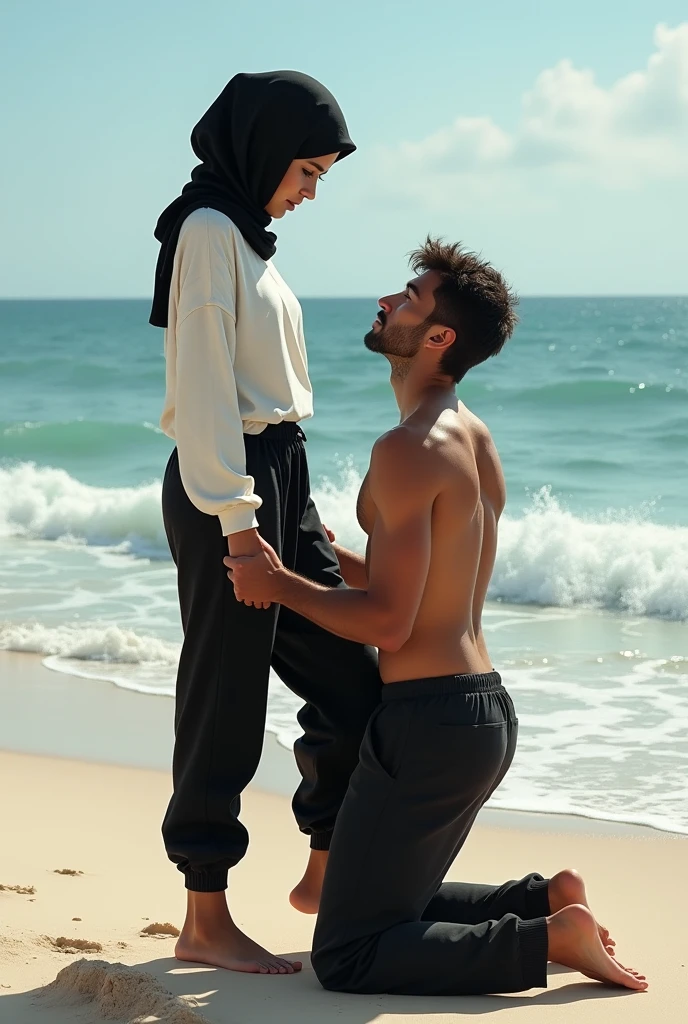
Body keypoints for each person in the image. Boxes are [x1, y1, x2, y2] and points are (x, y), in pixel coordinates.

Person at [225, 238, 648, 995]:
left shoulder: (407, 448)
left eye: (409, 299)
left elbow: (388, 623)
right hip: (477, 712)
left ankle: (547, 937)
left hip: (429, 722)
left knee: (349, 954)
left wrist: (281, 583)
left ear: (438, 337)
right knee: (389, 904)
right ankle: (544, 901)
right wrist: (327, 561)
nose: (387, 303)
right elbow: (421, 594)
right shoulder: (472, 437)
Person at [151, 71, 381, 976]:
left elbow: (270, 400)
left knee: (350, 679)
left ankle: (324, 867)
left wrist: (309, 530)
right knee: (227, 700)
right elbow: (205, 393)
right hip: (228, 488)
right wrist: (242, 527)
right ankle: (205, 915)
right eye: (309, 169)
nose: (312, 190)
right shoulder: (208, 233)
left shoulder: (250, 237)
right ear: (264, 147)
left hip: (281, 476)